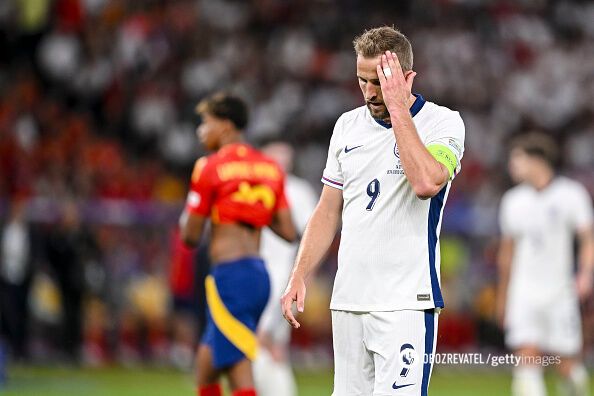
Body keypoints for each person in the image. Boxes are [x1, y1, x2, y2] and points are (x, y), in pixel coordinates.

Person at [281, 26, 465, 395]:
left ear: (407, 78)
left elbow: (426, 183)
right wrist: (299, 273)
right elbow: (327, 210)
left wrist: (398, 107)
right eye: (362, 80)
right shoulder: (347, 126)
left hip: (406, 301)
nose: (368, 92)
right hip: (349, 298)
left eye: (379, 81)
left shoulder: (443, 122)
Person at [179, 92, 297, 396]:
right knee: (206, 365)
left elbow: (190, 237)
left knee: (237, 364)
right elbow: (288, 231)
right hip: (258, 276)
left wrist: (219, 208)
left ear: (227, 126)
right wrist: (252, 209)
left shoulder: (210, 167)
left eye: (206, 123)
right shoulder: (270, 168)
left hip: (230, 276)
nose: (201, 131)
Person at [496, 133, 593, 396]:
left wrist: (585, 275)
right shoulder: (512, 201)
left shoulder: (571, 194)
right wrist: (503, 297)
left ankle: (576, 387)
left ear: (537, 160)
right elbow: (507, 253)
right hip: (524, 291)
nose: (512, 166)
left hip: (560, 291)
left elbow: (588, 239)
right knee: (527, 357)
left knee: (564, 363)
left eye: (518, 160)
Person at [253, 141, 318, 396]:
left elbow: (313, 238)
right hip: (254, 273)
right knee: (264, 345)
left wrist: (305, 276)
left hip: (284, 276)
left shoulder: (298, 192)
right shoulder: (252, 187)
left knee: (266, 343)